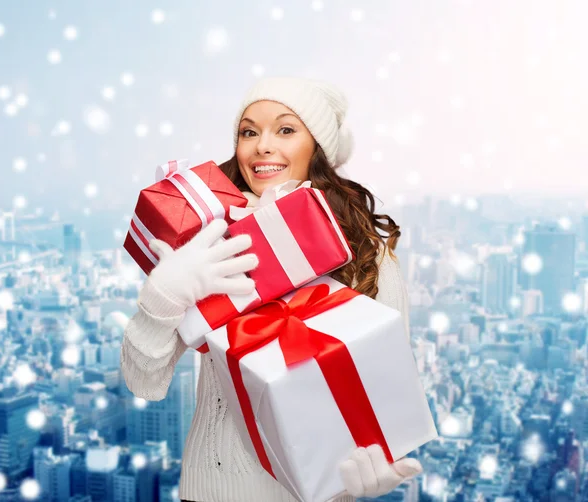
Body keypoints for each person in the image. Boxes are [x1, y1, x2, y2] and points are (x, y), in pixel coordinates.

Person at [121, 77, 424, 502]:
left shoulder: (365, 251)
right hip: (213, 491)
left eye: (285, 129)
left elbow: (388, 382)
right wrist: (162, 296)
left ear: (317, 147)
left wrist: (382, 459)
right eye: (249, 132)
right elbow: (143, 381)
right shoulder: (210, 240)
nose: (262, 146)